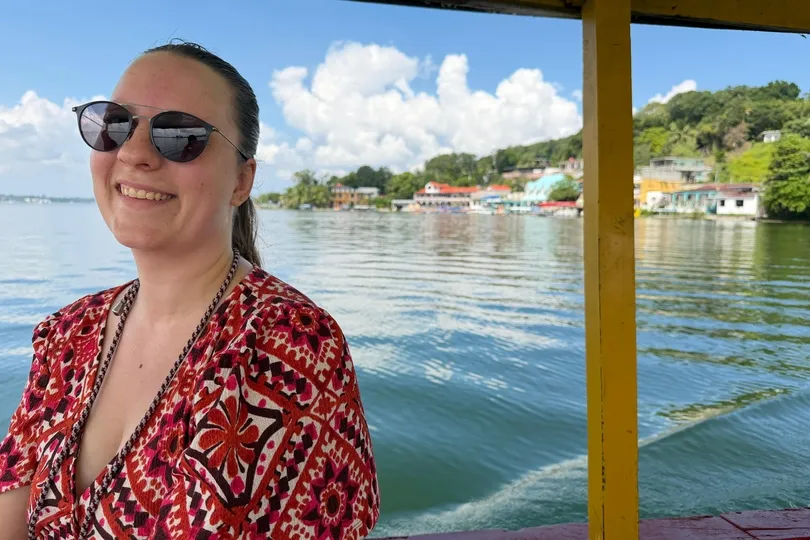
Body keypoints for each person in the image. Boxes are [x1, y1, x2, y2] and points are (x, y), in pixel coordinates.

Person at [0, 41, 380, 539]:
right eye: (114, 124)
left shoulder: (286, 345)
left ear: (241, 181)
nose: (134, 154)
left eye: (180, 136)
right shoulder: (70, 332)